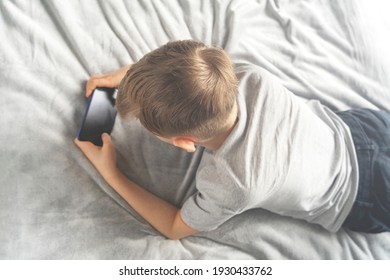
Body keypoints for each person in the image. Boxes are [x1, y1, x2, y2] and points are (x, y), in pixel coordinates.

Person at [75, 40, 390, 240]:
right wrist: (136, 80)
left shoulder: (233, 183)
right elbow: (190, 78)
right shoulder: (250, 77)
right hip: (366, 127)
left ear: (184, 142)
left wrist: (112, 174)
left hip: (365, 197)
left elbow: (173, 227)